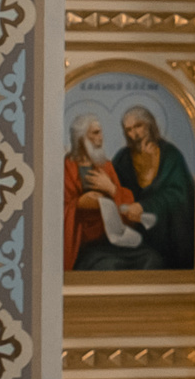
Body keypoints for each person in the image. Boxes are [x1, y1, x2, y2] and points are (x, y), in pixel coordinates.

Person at [66, 114, 160, 272]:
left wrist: (112, 189)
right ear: (81, 137)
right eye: (96, 133)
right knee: (109, 267)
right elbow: (58, 209)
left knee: (152, 259)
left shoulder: (105, 166)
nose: (101, 137)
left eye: (101, 132)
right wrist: (79, 203)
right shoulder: (68, 168)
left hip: (114, 240)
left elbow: (124, 210)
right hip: (85, 245)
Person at [112, 105, 194, 270]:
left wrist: (145, 206)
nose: (134, 134)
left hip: (167, 231)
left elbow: (179, 195)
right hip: (133, 231)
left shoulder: (170, 155)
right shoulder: (123, 158)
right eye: (128, 130)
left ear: (149, 124)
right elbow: (116, 191)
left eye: (138, 126)